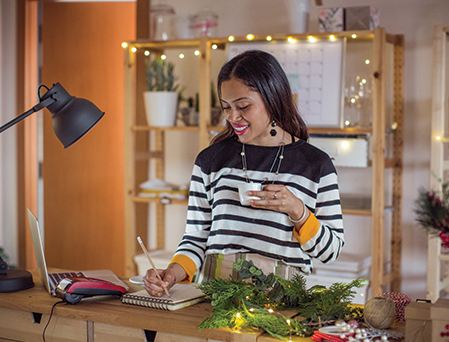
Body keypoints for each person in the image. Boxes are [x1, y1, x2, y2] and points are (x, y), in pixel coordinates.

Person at [143, 49, 344, 297]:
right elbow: (196, 238)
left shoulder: (315, 165)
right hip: (215, 301)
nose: (233, 117)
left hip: (281, 308)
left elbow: (330, 252)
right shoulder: (211, 160)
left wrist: (298, 211)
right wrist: (172, 273)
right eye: (226, 107)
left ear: (273, 98)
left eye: (243, 106)